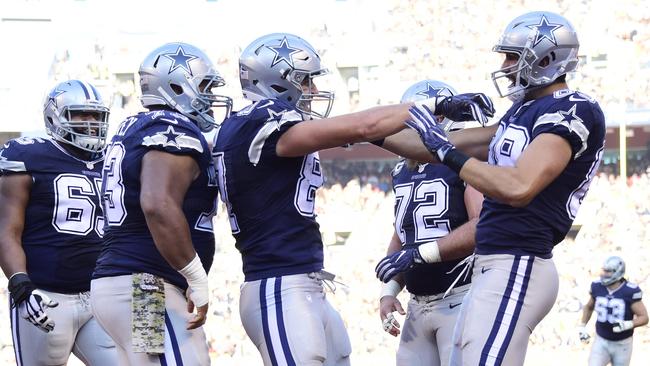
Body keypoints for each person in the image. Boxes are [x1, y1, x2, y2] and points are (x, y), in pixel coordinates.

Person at [213, 32, 494, 366]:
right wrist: (433, 105)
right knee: (159, 354)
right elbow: (362, 127)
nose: (313, 92)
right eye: (305, 82)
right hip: (272, 285)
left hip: (299, 282)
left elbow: (405, 143)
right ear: (275, 82)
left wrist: (506, 129)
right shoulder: (259, 124)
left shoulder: (264, 127)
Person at [375, 11, 606, 365]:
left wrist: (447, 152)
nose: (505, 65)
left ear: (545, 58)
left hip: (519, 260)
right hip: (493, 265)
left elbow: (519, 186)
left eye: (512, 56)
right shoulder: (519, 113)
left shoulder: (573, 109)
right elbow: (419, 144)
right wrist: (356, 131)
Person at [89, 42, 232, 365]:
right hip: (146, 287)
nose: (210, 97)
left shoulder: (134, 127)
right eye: (205, 87)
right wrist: (196, 276)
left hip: (128, 283)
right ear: (178, 86)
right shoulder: (172, 128)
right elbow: (156, 203)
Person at [0, 80, 117, 365]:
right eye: (80, 115)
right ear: (55, 116)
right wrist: (21, 286)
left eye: (96, 116)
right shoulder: (28, 155)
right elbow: (6, 230)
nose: (90, 123)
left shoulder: (113, 159)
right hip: (46, 297)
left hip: (98, 296)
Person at [375, 80, 484, 366]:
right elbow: (403, 233)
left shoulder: (463, 161)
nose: (405, 130)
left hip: (460, 298)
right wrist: (389, 291)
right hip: (416, 305)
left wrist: (421, 254)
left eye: (412, 121)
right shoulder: (401, 169)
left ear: (437, 119)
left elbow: (480, 227)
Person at [578, 256, 648, 366]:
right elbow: (589, 307)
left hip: (623, 344)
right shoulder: (597, 286)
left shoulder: (629, 291)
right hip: (601, 340)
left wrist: (627, 324)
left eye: (608, 271)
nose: (604, 274)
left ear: (618, 272)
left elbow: (644, 317)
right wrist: (582, 326)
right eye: (604, 270)